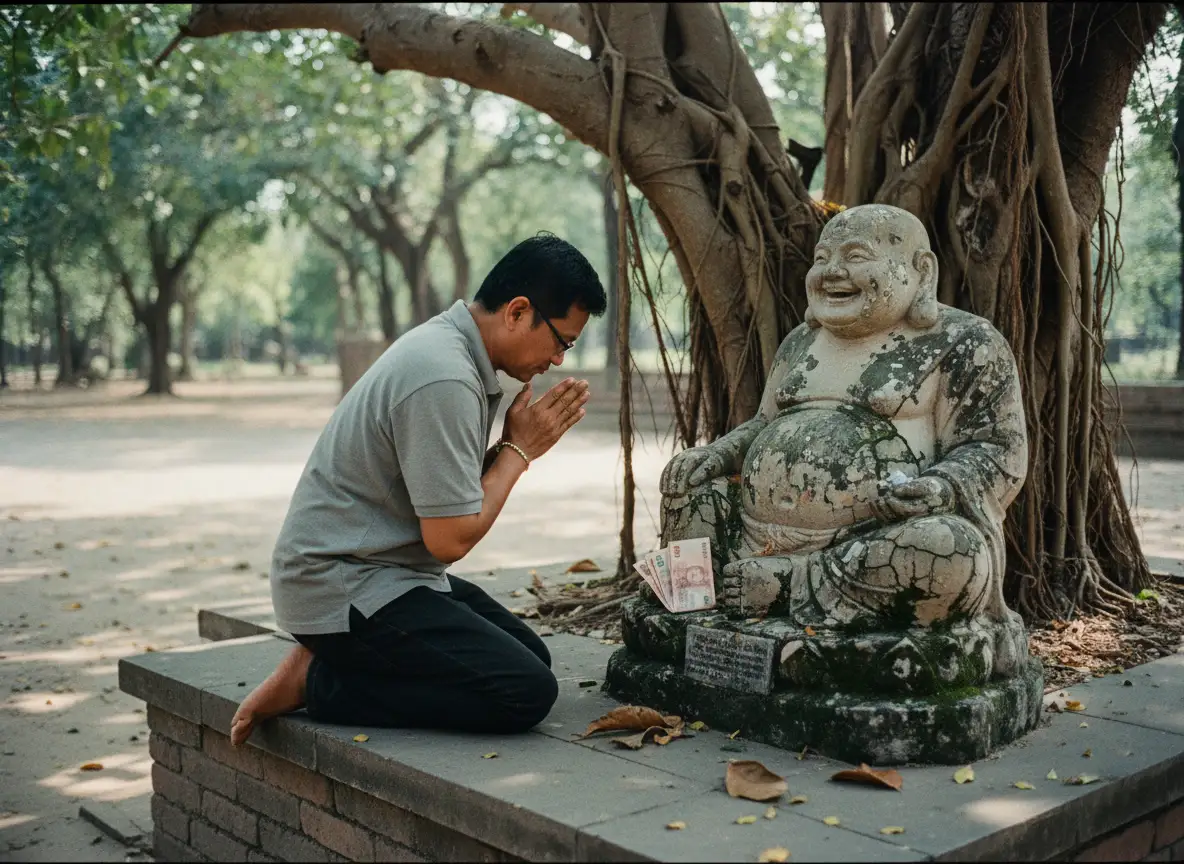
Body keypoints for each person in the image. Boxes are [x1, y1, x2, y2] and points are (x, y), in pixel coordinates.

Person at [230, 233, 606, 745]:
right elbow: (449, 539)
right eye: (562, 340)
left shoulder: (453, 353)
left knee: (531, 657)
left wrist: (511, 446)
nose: (559, 360)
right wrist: (519, 452)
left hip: (388, 573)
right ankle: (319, 680)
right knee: (523, 692)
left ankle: (335, 652)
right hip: (342, 581)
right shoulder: (444, 376)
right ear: (517, 312)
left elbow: (447, 492)